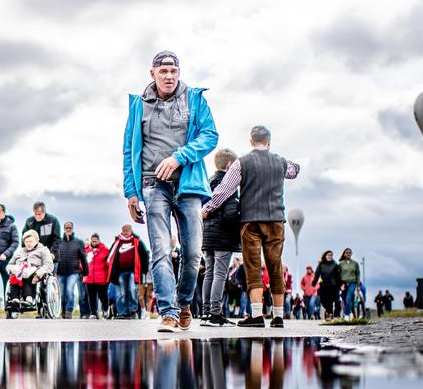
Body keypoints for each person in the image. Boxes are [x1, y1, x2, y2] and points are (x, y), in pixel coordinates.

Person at [122, 50, 219, 332]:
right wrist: (131, 192)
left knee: (192, 254)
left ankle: (185, 302)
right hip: (153, 186)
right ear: (152, 74)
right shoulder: (138, 106)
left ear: (179, 73)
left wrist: (179, 156)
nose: (169, 76)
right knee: (161, 250)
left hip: (188, 184)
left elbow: (210, 135)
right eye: (163, 72)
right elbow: (130, 151)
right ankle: (168, 311)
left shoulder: (195, 100)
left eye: (173, 72)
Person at [203, 126, 300, 328]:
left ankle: (256, 315)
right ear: (269, 141)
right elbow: (294, 171)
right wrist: (286, 164)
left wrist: (208, 208)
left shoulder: (242, 163)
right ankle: (279, 316)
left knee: (253, 267)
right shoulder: (280, 162)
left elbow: (224, 190)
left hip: (251, 221)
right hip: (275, 220)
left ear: (250, 141)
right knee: (274, 265)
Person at [199, 148, 240, 326]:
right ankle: (215, 313)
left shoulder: (208, 181)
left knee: (209, 274)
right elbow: (231, 213)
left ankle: (206, 313)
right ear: (230, 164)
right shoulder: (227, 184)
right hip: (222, 235)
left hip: (207, 234)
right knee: (220, 275)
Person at [107, 225, 148, 319]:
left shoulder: (137, 241)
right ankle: (123, 312)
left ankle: (133, 311)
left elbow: (144, 254)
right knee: (121, 293)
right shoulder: (118, 242)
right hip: (120, 272)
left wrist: (144, 270)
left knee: (132, 290)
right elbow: (111, 255)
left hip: (133, 272)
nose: (125, 232)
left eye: (127, 230)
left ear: (131, 231)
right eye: (124, 231)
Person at [7, 229, 55, 306]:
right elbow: (10, 264)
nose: (28, 244)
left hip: (35, 272)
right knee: (14, 277)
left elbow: (49, 265)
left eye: (31, 241)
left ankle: (29, 298)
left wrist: (38, 274)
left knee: (27, 276)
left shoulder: (43, 250)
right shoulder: (19, 252)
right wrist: (13, 269)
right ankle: (15, 299)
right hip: (20, 271)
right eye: (26, 242)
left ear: (37, 241)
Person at [53, 221, 88, 318]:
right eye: (66, 228)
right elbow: (54, 255)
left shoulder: (78, 242)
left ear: (72, 229)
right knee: (62, 293)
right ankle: (63, 310)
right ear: (64, 229)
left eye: (70, 228)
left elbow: (83, 258)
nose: (68, 229)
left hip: (73, 272)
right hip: (60, 272)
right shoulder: (58, 241)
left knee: (69, 291)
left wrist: (86, 272)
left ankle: (69, 311)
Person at [84, 234, 111, 319]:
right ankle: (93, 313)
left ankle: (105, 310)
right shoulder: (86, 250)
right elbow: (82, 261)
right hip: (89, 278)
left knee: (103, 296)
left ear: (99, 241)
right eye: (92, 241)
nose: (94, 243)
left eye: (95, 241)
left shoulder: (105, 250)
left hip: (101, 278)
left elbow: (109, 262)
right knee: (91, 297)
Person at [314, 251, 341, 320]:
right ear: (325, 256)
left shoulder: (335, 264)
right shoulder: (321, 264)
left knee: (336, 300)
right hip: (324, 286)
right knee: (323, 300)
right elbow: (317, 274)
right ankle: (329, 312)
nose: (330, 256)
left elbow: (338, 275)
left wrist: (340, 284)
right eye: (328, 255)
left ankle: (335, 316)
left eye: (331, 255)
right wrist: (314, 283)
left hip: (334, 286)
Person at [338, 248, 362, 320]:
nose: (348, 254)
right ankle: (350, 312)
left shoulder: (355, 263)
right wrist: (340, 285)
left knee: (348, 297)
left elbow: (358, 274)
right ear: (344, 254)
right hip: (343, 283)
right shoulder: (341, 264)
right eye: (347, 252)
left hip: (352, 283)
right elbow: (338, 275)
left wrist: (358, 285)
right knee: (345, 299)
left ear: (351, 254)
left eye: (349, 252)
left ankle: (346, 314)